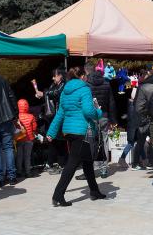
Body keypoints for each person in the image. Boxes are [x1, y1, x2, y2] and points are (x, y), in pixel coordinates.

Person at [47, 67, 104, 207]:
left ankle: (94, 191)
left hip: (69, 131)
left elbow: (60, 113)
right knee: (72, 163)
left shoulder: (64, 91)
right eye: (85, 75)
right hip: (82, 131)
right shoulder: (84, 89)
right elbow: (88, 111)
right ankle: (58, 195)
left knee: (87, 161)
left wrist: (51, 132)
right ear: (82, 76)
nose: (86, 78)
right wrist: (99, 112)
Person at [76, 62, 117, 180]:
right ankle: (104, 169)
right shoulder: (106, 83)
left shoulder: (86, 85)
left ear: (86, 71)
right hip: (104, 116)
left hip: (90, 116)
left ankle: (90, 170)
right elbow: (111, 102)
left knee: (89, 143)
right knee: (104, 141)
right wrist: (113, 119)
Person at [35, 68, 67, 175]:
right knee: (52, 139)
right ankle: (52, 163)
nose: (53, 78)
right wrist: (42, 95)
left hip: (61, 116)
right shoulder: (53, 85)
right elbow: (50, 95)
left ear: (60, 76)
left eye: (55, 75)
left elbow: (56, 93)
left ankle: (61, 164)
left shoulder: (64, 85)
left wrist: (44, 93)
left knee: (60, 140)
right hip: (53, 117)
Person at [16, 99, 38, 178]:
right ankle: (28, 172)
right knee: (27, 156)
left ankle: (19, 171)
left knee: (19, 156)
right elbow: (34, 128)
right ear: (27, 106)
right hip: (29, 139)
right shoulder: (31, 116)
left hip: (19, 139)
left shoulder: (17, 117)